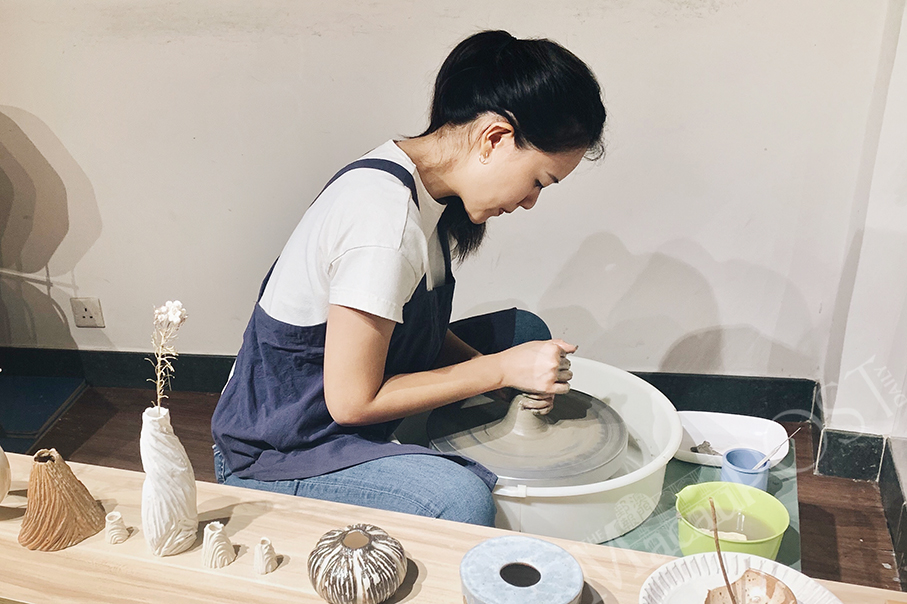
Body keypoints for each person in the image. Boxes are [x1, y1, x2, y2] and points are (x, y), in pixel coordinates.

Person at [211, 29, 606, 527]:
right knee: (461, 501)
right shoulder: (383, 220)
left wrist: (494, 366)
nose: (530, 202)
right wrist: (498, 372)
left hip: (339, 400)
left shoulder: (421, 184)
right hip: (282, 446)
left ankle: (410, 456)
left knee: (522, 332)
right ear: (495, 138)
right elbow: (352, 403)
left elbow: (416, 327)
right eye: (537, 181)